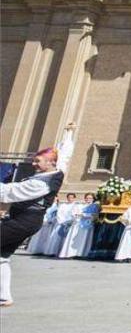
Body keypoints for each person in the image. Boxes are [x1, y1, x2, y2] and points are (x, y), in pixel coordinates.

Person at [0, 125, 74, 307]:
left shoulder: (42, 184)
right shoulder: (55, 170)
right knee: (1, 257)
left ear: (50, 163)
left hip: (24, 221)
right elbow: (64, 155)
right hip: (26, 221)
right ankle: (4, 296)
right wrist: (68, 134)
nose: (33, 164)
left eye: (38, 161)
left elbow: (8, 192)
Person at [59, 192, 100, 259]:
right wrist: (79, 215)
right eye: (87, 198)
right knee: (73, 239)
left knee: (83, 240)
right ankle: (70, 254)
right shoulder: (79, 205)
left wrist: (83, 215)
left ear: (93, 199)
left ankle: (81, 254)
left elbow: (94, 215)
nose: (88, 199)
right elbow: (74, 213)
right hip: (77, 225)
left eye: (90, 198)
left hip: (87, 225)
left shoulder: (94, 206)